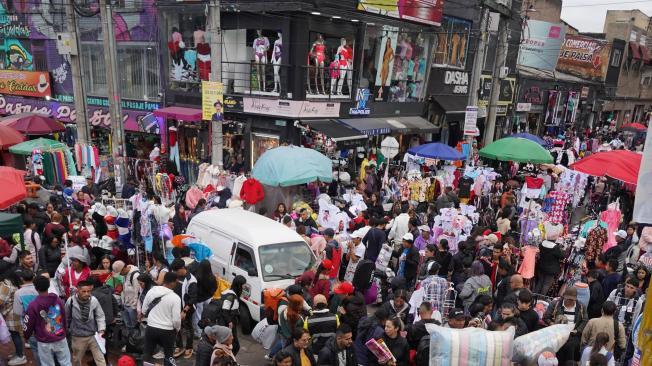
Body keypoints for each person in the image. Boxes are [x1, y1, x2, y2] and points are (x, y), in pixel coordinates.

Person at [24, 275, 71, 365]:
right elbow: (64, 317)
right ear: (49, 285)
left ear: (36, 288)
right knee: (66, 362)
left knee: (47, 364)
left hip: (44, 341)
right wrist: (65, 331)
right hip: (60, 337)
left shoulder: (33, 305)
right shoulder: (58, 300)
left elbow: (28, 323)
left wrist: (26, 335)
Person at [142, 272, 182, 366]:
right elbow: (176, 319)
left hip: (151, 327)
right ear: (173, 283)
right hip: (167, 331)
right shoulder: (175, 298)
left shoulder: (152, 291)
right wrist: (177, 328)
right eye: (176, 282)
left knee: (147, 353)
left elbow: (144, 310)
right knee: (169, 355)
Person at [65, 280, 106, 366]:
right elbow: (66, 317)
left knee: (100, 359)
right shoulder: (70, 301)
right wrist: (68, 330)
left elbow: (100, 316)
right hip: (78, 336)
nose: (86, 293)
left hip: (93, 335)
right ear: (78, 290)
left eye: (89, 291)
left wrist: (101, 330)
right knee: (76, 360)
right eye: (84, 291)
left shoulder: (94, 300)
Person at [543, 286, 588, 364]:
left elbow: (585, 321)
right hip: (556, 333)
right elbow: (546, 317)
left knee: (571, 346)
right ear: (564, 296)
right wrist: (552, 324)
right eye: (568, 299)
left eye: (572, 299)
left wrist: (577, 330)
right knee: (557, 345)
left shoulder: (581, 306)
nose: (570, 301)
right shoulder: (555, 304)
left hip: (573, 334)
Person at [170, 258, 198, 358]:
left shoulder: (191, 280)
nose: (175, 273)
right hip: (176, 307)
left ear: (182, 268)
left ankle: (189, 347)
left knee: (188, 328)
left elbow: (193, 297)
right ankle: (179, 346)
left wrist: (185, 310)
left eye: (176, 271)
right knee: (176, 326)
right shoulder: (176, 275)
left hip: (187, 309)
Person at [1, 272, 25, 366]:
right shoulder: (13, 284)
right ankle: (18, 353)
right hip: (14, 312)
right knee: (15, 335)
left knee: (15, 335)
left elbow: (1, 300)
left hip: (10, 313)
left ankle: (20, 356)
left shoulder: (6, 285)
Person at [112, 260, 140, 338]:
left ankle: (136, 343)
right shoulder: (124, 276)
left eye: (120, 273)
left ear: (124, 269)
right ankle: (130, 342)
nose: (120, 275)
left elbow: (137, 293)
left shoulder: (135, 276)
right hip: (125, 305)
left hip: (132, 307)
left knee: (134, 327)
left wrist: (134, 307)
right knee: (128, 326)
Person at [219, 274, 246, 355]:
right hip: (227, 325)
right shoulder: (231, 296)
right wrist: (229, 322)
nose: (244, 287)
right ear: (239, 285)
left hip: (230, 324)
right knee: (234, 346)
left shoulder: (231, 293)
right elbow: (224, 310)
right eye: (243, 285)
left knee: (233, 345)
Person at [195, 259, 217, 335]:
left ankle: (198, 333)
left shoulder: (197, 277)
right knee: (207, 315)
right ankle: (208, 330)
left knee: (198, 316)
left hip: (199, 300)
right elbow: (215, 288)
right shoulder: (212, 277)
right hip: (208, 298)